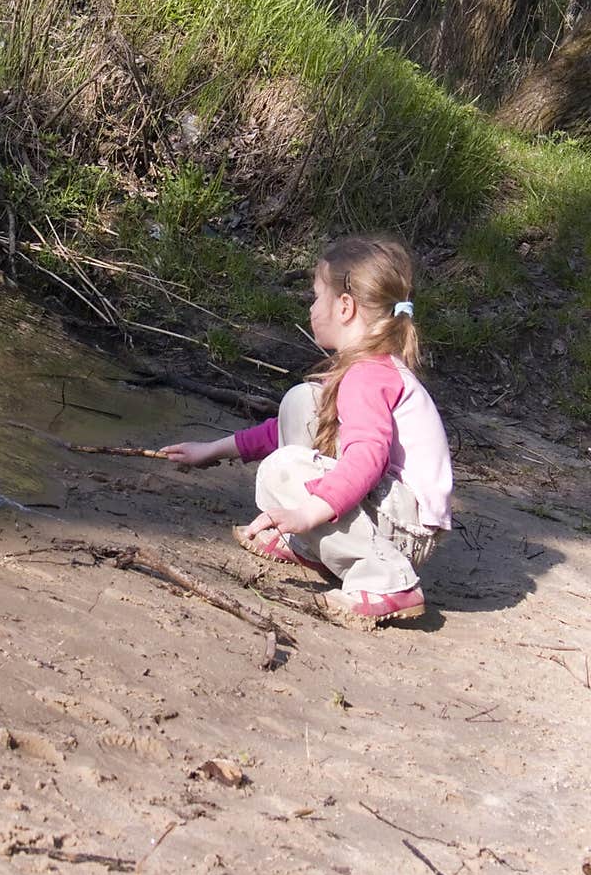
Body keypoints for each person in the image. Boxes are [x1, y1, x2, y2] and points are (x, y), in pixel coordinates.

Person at [160, 236, 452, 623]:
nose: (312, 308)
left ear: (344, 307)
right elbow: (286, 429)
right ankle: (315, 546)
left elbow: (367, 456)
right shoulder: (366, 367)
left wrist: (308, 512)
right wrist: (212, 450)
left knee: (281, 471)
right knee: (301, 403)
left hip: (407, 528)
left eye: (316, 297)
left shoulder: (367, 375)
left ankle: (386, 580)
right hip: (395, 509)